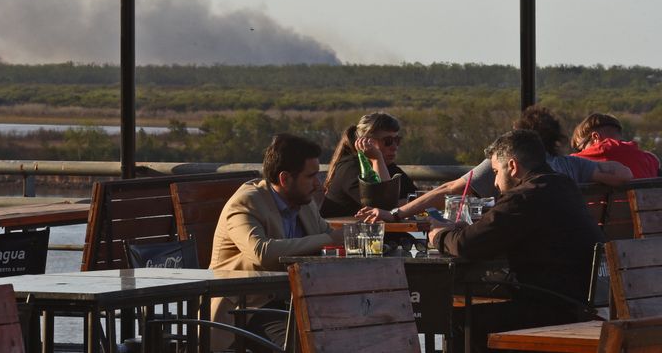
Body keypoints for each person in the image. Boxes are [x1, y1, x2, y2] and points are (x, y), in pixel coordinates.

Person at [429, 129, 604, 352]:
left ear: (512, 166)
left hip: (549, 308)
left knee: (454, 320)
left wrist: (439, 235)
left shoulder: (524, 196)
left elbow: (467, 246)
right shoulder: (563, 186)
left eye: (495, 172)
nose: (495, 182)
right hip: (578, 301)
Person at [360, 106, 633, 223]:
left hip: (523, 265)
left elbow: (450, 189)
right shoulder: (571, 167)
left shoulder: (504, 165)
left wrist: (396, 214)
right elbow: (623, 174)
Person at [209, 133, 343, 352]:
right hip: (247, 308)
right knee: (303, 346)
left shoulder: (304, 203)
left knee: (357, 330)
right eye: (310, 177)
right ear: (285, 179)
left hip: (292, 303)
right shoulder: (247, 201)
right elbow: (261, 252)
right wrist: (328, 240)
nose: (318, 184)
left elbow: (330, 236)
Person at [320, 112, 416, 217]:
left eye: (397, 140)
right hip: (347, 232)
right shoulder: (350, 168)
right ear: (366, 141)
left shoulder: (389, 167)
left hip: (378, 230)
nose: (394, 147)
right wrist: (377, 159)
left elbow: (416, 198)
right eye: (388, 141)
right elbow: (383, 207)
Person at [570, 112, 661, 178]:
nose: (581, 152)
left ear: (595, 137)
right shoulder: (650, 160)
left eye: (581, 148)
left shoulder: (576, 162)